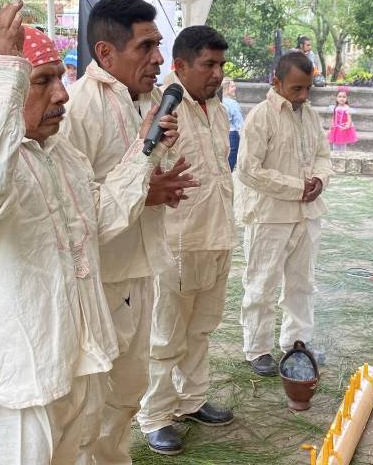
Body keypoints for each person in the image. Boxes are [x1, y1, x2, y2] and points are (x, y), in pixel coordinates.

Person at [0, 0, 179, 464]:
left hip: (74, 370)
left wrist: (144, 148)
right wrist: (6, 75)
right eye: (42, 81)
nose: (62, 94)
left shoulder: (60, 156)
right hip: (9, 393)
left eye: (61, 78)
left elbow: (99, 221)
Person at [61, 0, 198, 464]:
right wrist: (147, 189)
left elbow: (141, 175)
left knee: (128, 390)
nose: (159, 58)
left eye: (158, 45)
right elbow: (76, 212)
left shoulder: (151, 102)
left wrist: (159, 185)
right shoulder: (79, 107)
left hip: (139, 269)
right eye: (147, 46)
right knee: (93, 400)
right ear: (106, 54)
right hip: (99, 280)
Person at [138, 26, 238, 455]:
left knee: (202, 328)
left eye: (220, 65)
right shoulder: (165, 107)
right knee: (166, 335)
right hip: (178, 240)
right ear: (178, 66)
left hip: (217, 235)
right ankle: (155, 415)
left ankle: (192, 399)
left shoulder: (216, 107)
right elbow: (145, 170)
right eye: (207, 65)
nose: (216, 74)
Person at [235, 51, 333, 376]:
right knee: (262, 283)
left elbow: (323, 154)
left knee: (302, 283)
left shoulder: (311, 115)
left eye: (308, 89)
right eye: (296, 89)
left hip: (307, 214)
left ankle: (296, 343)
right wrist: (295, 187)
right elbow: (249, 170)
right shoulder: (261, 116)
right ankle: (257, 348)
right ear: (275, 82)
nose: (303, 96)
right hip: (270, 216)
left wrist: (319, 178)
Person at [221, 77, 244, 171]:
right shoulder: (232, 104)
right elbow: (240, 124)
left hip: (222, 133)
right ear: (226, 89)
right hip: (232, 136)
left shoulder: (219, 102)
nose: (235, 88)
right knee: (229, 165)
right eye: (232, 86)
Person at [328, 86, 357, 152]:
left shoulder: (347, 108)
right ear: (336, 98)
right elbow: (333, 118)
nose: (342, 98)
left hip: (343, 128)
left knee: (342, 143)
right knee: (335, 143)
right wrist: (330, 127)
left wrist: (348, 125)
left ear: (346, 99)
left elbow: (349, 119)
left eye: (344, 97)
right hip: (335, 128)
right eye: (340, 96)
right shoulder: (335, 107)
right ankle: (335, 153)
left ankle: (342, 153)